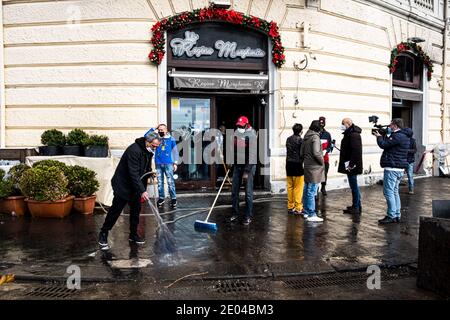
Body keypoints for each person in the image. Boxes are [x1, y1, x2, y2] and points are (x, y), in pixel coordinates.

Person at [98, 131, 161, 249]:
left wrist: (150, 173)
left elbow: (145, 167)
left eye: (156, 146)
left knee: (136, 211)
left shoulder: (148, 151)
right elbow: (133, 173)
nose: (155, 148)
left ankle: (133, 235)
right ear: (147, 142)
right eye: (154, 146)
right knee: (115, 211)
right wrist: (142, 190)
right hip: (123, 185)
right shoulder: (134, 150)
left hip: (135, 187)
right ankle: (103, 233)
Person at [374, 118, 411, 224]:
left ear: (395, 125)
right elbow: (390, 146)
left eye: (390, 125)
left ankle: (391, 215)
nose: (389, 126)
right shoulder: (404, 136)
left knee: (388, 192)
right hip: (399, 167)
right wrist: (385, 136)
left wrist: (379, 137)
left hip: (392, 168)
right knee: (394, 191)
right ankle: (396, 214)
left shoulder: (398, 136)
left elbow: (384, 145)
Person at [229, 116, 258, 225]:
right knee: (234, 191)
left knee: (248, 192)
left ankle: (248, 216)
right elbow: (234, 148)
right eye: (238, 125)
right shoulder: (237, 132)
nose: (239, 127)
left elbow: (252, 154)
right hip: (238, 165)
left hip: (248, 166)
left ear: (247, 124)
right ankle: (234, 213)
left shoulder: (252, 135)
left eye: (241, 126)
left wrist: (246, 171)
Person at [300, 120, 324, 222]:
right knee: (311, 190)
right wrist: (322, 161)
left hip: (307, 166)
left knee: (306, 189)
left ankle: (306, 211)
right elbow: (316, 152)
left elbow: (301, 153)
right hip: (315, 167)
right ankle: (311, 214)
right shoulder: (315, 137)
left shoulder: (306, 136)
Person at [337, 118, 363, 214]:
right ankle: (357, 205)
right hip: (350, 164)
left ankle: (356, 206)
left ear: (348, 124)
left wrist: (351, 165)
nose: (342, 125)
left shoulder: (353, 135)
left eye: (343, 123)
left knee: (354, 186)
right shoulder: (350, 133)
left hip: (352, 165)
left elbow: (356, 151)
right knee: (354, 186)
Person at [155, 124, 179, 208]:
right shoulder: (156, 138)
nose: (160, 131)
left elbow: (175, 151)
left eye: (162, 130)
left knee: (170, 182)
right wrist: (154, 128)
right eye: (159, 130)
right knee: (160, 182)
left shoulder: (171, 139)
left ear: (166, 130)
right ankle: (161, 198)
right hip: (158, 163)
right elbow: (146, 135)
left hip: (168, 163)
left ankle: (173, 198)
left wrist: (175, 163)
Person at [285, 123, 304, 215]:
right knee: (298, 188)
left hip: (288, 164)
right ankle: (298, 207)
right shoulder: (301, 140)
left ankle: (290, 206)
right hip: (298, 165)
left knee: (290, 187)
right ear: (301, 131)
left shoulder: (288, 139)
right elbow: (302, 153)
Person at [318, 116, 332, 196]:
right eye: (320, 123)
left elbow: (330, 146)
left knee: (325, 173)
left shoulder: (327, 134)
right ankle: (316, 190)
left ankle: (323, 187)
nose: (321, 124)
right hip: (316, 158)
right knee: (316, 174)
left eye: (323, 123)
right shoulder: (315, 133)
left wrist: (327, 150)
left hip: (325, 158)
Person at [406, 130, 417, 195]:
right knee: (399, 175)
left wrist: (407, 150)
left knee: (410, 175)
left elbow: (415, 150)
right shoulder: (403, 139)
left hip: (409, 160)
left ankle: (411, 189)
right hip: (402, 160)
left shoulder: (413, 140)